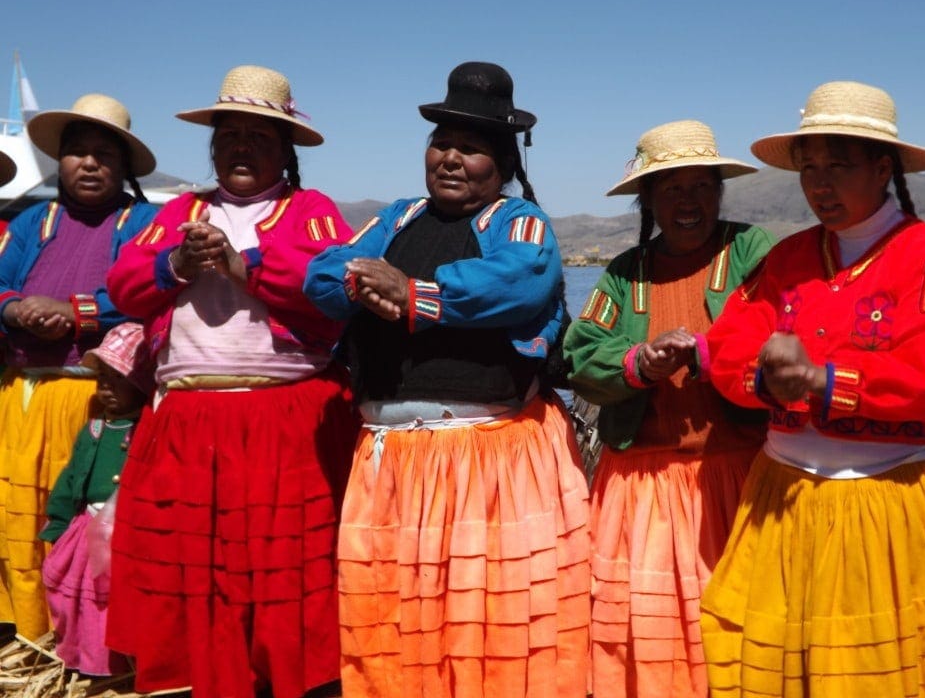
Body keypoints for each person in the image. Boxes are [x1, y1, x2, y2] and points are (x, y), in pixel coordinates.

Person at [700, 81, 925, 696]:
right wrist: (765, 378)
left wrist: (818, 380)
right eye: (809, 168)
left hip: (887, 507)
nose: (820, 184)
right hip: (784, 501)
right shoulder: (788, 258)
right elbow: (730, 343)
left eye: (838, 166)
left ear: (882, 169)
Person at [304, 61, 591, 698]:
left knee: (489, 617)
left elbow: (520, 282)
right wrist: (358, 280)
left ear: (506, 165)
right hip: (392, 461)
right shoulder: (396, 220)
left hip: (486, 460)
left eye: (474, 148)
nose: (452, 159)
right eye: (443, 143)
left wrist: (413, 294)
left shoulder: (516, 223)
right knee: (395, 609)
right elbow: (322, 274)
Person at [104, 65, 358, 698]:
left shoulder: (310, 210)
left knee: (280, 568)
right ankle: (201, 679)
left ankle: (286, 681)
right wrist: (177, 263)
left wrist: (244, 265)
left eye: (260, 137)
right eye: (229, 136)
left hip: (284, 420)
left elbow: (330, 285)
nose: (241, 148)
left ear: (285, 150)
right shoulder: (180, 212)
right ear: (212, 146)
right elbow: (124, 285)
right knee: (196, 566)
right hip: (190, 421)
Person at [562, 120, 773, 698]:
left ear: (719, 191)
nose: (689, 201)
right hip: (640, 487)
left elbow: (782, 325)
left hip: (736, 474)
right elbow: (580, 356)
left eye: (702, 186)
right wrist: (638, 364)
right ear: (648, 200)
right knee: (643, 643)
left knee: (741, 632)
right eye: (671, 188)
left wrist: (709, 352)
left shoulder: (752, 251)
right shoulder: (624, 273)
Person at [0, 94, 158, 640]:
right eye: (76, 153)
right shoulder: (30, 222)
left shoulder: (144, 223)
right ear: (59, 161)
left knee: (92, 526)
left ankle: (90, 645)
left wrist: (77, 313)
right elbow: (0, 285)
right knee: (23, 513)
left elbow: (150, 292)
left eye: (103, 154)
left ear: (124, 167)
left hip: (98, 400)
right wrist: (15, 308)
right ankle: (26, 634)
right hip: (22, 396)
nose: (89, 164)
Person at [39, 321, 152, 676]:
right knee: (81, 598)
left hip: (129, 533)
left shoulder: (149, 429)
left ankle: (122, 662)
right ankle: (89, 660)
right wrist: (57, 525)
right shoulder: (94, 429)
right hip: (88, 533)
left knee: (119, 598)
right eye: (102, 378)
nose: (106, 387)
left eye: (118, 379)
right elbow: (70, 478)